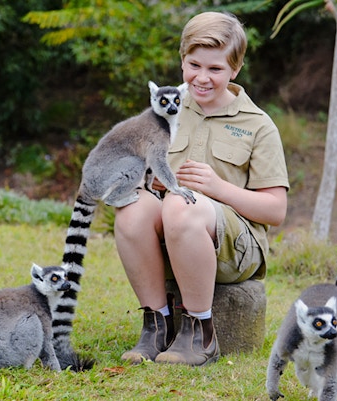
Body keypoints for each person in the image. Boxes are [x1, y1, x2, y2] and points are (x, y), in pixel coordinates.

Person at [116, 11, 289, 366]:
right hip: (174, 238)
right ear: (182, 61)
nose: (202, 78)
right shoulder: (165, 112)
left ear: (235, 69)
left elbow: (275, 211)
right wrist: (152, 183)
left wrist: (217, 187)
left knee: (183, 207)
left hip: (235, 249)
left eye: (216, 69)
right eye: (194, 65)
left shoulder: (258, 126)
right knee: (132, 208)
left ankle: (200, 334)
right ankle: (157, 326)